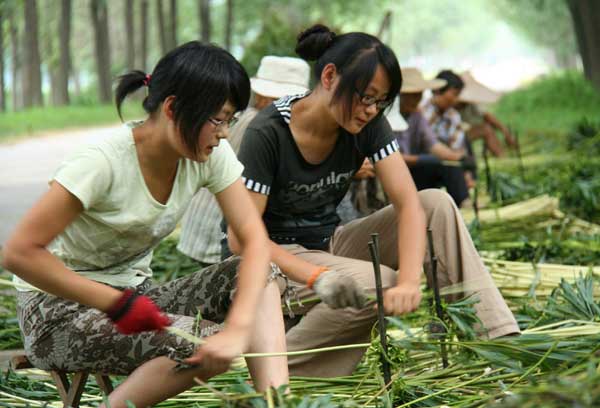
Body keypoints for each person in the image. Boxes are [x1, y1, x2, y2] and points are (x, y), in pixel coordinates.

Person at [2, 42, 288, 408]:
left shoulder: (208, 154)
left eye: (230, 120)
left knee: (265, 270)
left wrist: (238, 328)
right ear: (172, 108)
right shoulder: (102, 162)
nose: (225, 133)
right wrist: (113, 303)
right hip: (56, 312)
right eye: (218, 119)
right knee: (199, 343)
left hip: (135, 296)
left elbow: (254, 242)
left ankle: (279, 402)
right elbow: (19, 253)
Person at [227, 25, 519, 378]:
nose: (371, 110)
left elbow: (409, 203)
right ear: (331, 76)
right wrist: (319, 275)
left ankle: (496, 344)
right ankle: (266, 370)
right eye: (366, 97)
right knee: (379, 281)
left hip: (329, 243)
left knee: (436, 205)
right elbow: (241, 238)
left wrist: (411, 280)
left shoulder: (366, 123)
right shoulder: (269, 133)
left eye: (381, 102)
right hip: (273, 260)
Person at [178, 56, 310, 267]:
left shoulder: (240, 117)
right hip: (218, 228)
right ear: (265, 97)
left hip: (203, 227)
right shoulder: (262, 126)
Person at [395, 67, 472, 207]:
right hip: (395, 174)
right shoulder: (387, 118)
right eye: (412, 95)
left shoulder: (416, 115)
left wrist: (456, 158)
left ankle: (463, 203)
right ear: (400, 95)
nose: (416, 99)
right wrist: (421, 159)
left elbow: (433, 144)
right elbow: (391, 159)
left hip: (416, 169)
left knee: (448, 166)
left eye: (419, 94)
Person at [421, 70, 476, 189]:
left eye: (458, 95)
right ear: (437, 91)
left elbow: (457, 147)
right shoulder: (421, 112)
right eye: (454, 94)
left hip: (447, 161)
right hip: (423, 163)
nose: (456, 100)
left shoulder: (454, 117)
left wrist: (466, 174)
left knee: (455, 164)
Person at [456, 71, 516, 157]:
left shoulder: (471, 101)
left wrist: (505, 131)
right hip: (454, 136)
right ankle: (502, 157)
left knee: (487, 126)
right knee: (486, 129)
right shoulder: (450, 107)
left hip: (464, 133)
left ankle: (501, 155)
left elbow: (487, 116)